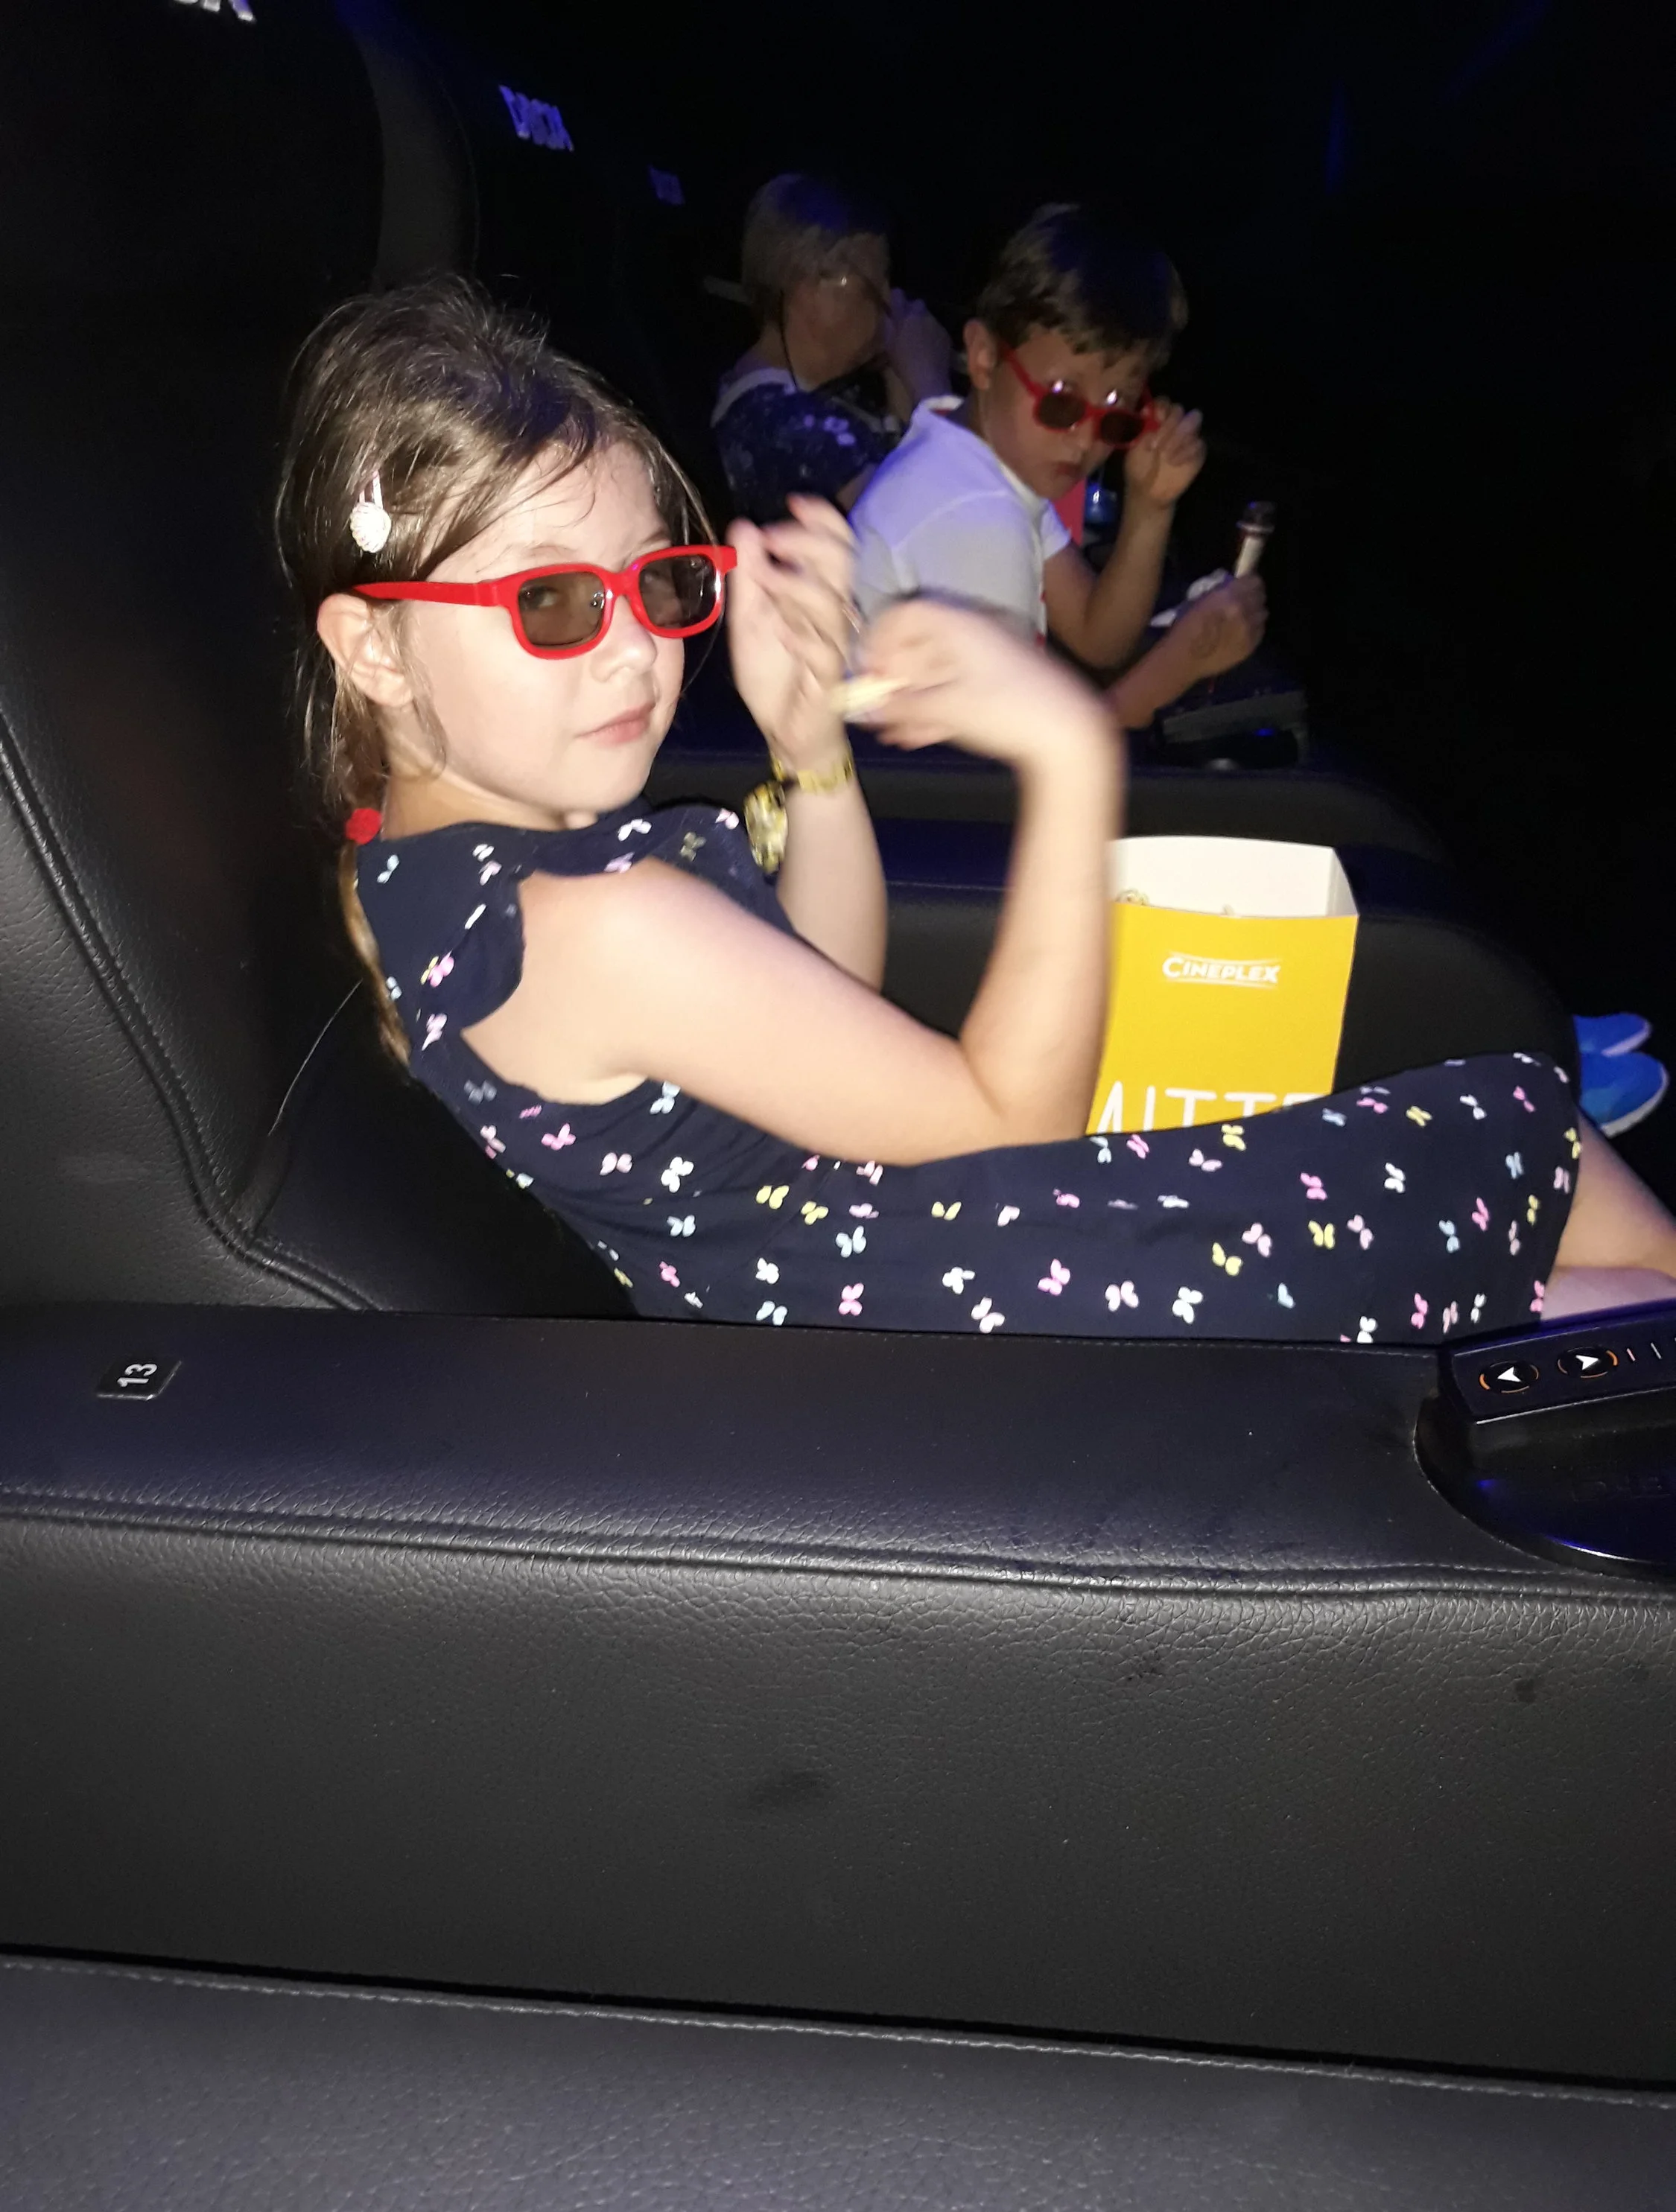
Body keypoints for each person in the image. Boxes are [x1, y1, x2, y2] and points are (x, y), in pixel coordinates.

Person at [280, 278, 1676, 1341]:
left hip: (918, 1242)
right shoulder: (592, 925)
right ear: (373, 648)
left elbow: (819, 989)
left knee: (1521, 1129)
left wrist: (808, 748)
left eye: (657, 584)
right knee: (1541, 1184)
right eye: (551, 603)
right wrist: (1066, 755)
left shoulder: (456, 869)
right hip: (994, 1306)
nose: (636, 650)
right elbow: (1014, 1123)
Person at [851, 203, 1265, 722]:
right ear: (983, 359)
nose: (1087, 437)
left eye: (1116, 409)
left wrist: (1150, 507)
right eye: (1062, 400)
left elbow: (1097, 636)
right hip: (904, 774)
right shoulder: (971, 513)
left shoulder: (982, 456)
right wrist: (1183, 661)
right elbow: (1026, 756)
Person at [712, 174, 952, 523]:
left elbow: (897, 464)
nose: (889, 301)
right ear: (812, 286)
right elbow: (934, 530)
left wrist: (899, 381)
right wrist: (931, 386)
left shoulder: (795, 398)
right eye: (876, 283)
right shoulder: (783, 424)